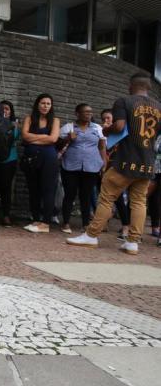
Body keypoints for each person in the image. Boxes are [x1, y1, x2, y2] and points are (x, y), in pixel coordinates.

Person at [68, 72, 161, 255]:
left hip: (126, 160)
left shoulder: (124, 101)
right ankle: (133, 242)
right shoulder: (159, 107)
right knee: (139, 201)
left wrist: (106, 129)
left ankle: (91, 235)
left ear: (130, 85)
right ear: (148, 87)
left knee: (106, 197)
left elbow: (118, 126)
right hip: (147, 162)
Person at [58, 104, 106, 234]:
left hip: (91, 167)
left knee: (86, 195)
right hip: (70, 166)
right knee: (69, 194)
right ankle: (66, 222)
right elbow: (57, 145)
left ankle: (85, 224)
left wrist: (104, 163)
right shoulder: (68, 127)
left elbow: (102, 147)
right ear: (77, 113)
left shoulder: (97, 128)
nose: (88, 114)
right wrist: (68, 138)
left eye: (90, 112)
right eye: (85, 112)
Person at [21, 93, 60, 233]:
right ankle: (36, 219)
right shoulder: (29, 118)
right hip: (31, 159)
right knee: (33, 189)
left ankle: (45, 223)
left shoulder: (55, 120)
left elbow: (54, 139)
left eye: (48, 104)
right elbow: (24, 136)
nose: (45, 106)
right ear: (37, 104)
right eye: (43, 103)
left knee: (48, 189)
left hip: (49, 159)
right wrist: (44, 137)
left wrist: (34, 139)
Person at [100, 108, 130, 241]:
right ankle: (103, 223)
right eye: (104, 118)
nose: (106, 121)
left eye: (108, 118)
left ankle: (126, 227)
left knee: (118, 198)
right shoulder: (102, 132)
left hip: (119, 167)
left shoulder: (121, 132)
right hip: (105, 166)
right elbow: (101, 149)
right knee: (103, 196)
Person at [0, 100, 20, 227]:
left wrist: (10, 125)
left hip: (9, 159)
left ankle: (6, 214)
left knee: (6, 187)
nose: (4, 111)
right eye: (2, 109)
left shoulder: (14, 124)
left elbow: (13, 137)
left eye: (7, 109)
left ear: (11, 111)